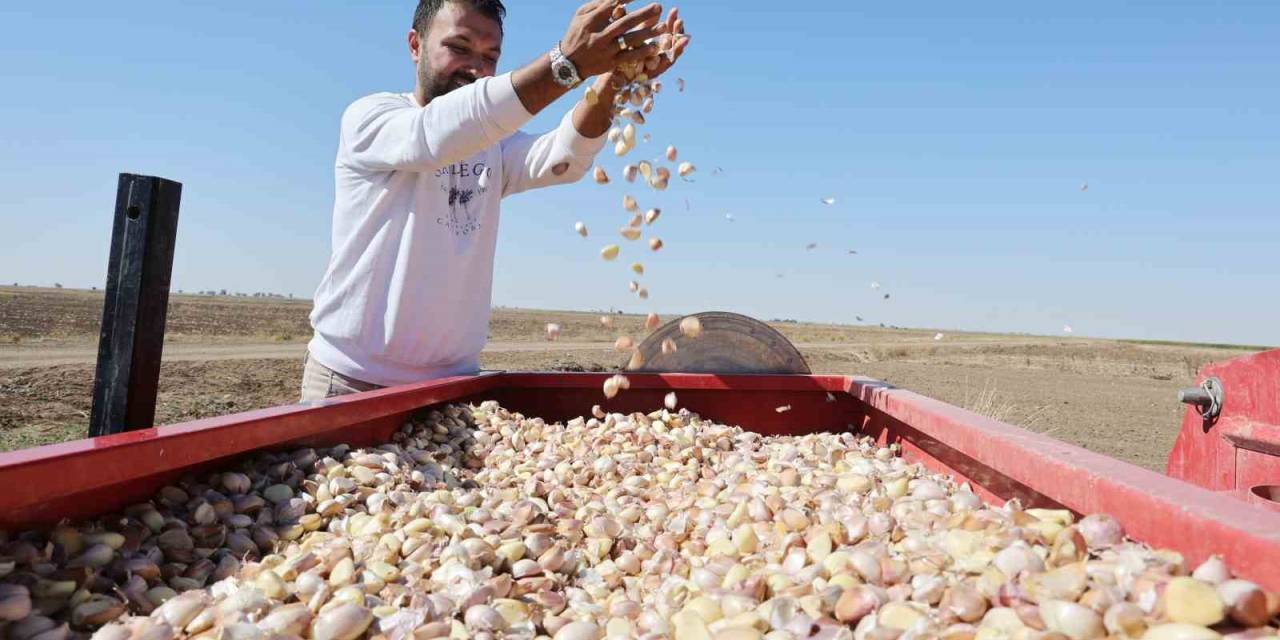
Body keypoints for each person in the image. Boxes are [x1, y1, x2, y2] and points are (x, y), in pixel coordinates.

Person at [300, 0, 690, 401]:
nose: (475, 68)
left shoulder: (491, 147)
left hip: (452, 386)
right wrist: (566, 63)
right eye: (459, 47)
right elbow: (433, 137)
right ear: (415, 45)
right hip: (350, 381)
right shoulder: (373, 119)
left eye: (490, 57)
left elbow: (561, 159)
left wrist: (613, 82)